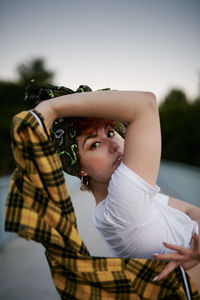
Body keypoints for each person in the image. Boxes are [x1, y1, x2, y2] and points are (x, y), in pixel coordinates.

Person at [28, 81, 200, 290]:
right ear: (80, 170)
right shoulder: (122, 204)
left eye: (110, 132)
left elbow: (191, 210)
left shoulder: (128, 202)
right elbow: (146, 104)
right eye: (94, 144)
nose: (114, 145)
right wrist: (53, 107)